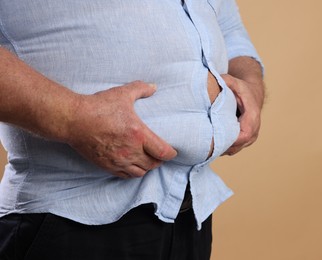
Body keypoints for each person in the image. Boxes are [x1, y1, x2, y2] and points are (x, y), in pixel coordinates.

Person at [0, 0, 265, 259]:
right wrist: (72, 117)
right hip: (68, 219)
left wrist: (251, 83)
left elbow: (227, 25)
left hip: (190, 214)